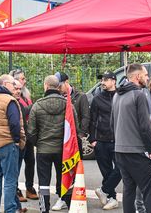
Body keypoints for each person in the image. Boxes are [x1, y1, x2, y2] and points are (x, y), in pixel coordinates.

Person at [111, 63, 151, 213]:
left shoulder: (116, 95)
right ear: (138, 76)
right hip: (139, 151)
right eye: (145, 75)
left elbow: (111, 124)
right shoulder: (139, 94)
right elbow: (145, 125)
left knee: (129, 191)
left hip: (121, 150)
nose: (147, 78)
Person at [27, 75, 75, 213]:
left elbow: (30, 132)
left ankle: (44, 209)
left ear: (46, 86)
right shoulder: (68, 105)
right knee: (65, 179)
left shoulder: (37, 105)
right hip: (63, 150)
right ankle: (70, 206)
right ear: (58, 87)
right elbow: (73, 128)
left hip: (43, 150)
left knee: (44, 182)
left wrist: (39, 143)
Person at [0, 74, 26, 213]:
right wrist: (16, 140)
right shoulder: (10, 100)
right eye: (13, 84)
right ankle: (10, 210)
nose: (15, 87)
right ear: (6, 84)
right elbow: (14, 123)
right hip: (7, 143)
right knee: (10, 181)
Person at [53, 71, 90, 210]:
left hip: (75, 140)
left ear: (66, 82)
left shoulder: (80, 97)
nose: (57, 87)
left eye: (60, 85)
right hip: (61, 141)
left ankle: (74, 196)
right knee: (61, 170)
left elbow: (86, 116)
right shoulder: (56, 97)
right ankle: (62, 197)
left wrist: (80, 134)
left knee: (75, 170)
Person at [89, 71, 121, 210]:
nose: (103, 82)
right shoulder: (97, 98)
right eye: (102, 80)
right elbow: (93, 120)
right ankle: (112, 198)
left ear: (113, 81)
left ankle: (104, 190)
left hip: (119, 139)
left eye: (106, 79)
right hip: (101, 140)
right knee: (106, 171)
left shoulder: (121, 96)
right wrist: (93, 139)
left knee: (121, 168)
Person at [10, 69, 38, 201]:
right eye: (22, 78)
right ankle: (15, 189)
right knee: (17, 164)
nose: (24, 81)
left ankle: (30, 187)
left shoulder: (26, 96)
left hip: (29, 133)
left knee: (31, 162)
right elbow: (23, 111)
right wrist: (33, 107)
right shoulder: (13, 98)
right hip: (20, 134)